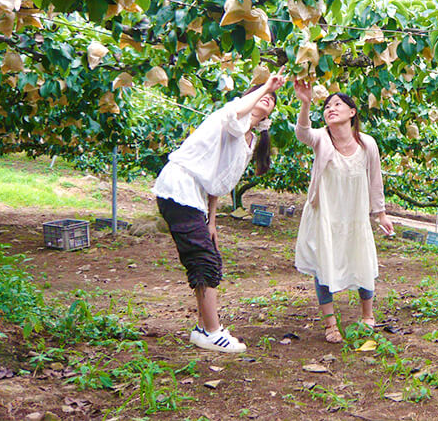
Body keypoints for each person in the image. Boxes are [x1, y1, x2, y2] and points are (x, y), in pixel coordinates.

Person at [152, 74, 284, 353]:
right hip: (178, 186)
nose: (266, 98)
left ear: (270, 114)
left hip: (195, 196)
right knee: (203, 259)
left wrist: (211, 221)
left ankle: (203, 329)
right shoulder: (229, 118)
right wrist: (266, 86)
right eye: (260, 94)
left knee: (209, 257)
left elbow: (219, 182)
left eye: (271, 100)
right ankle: (212, 331)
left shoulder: (248, 142)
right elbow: (235, 111)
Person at [292, 80, 394, 343]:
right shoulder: (322, 139)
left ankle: (367, 316)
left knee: (362, 259)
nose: (330, 109)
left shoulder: (367, 144)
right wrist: (305, 102)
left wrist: (380, 213)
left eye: (337, 104)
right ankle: (330, 323)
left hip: (354, 215)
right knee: (323, 263)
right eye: (326, 106)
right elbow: (303, 133)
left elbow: (375, 181)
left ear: (352, 112)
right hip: (325, 215)